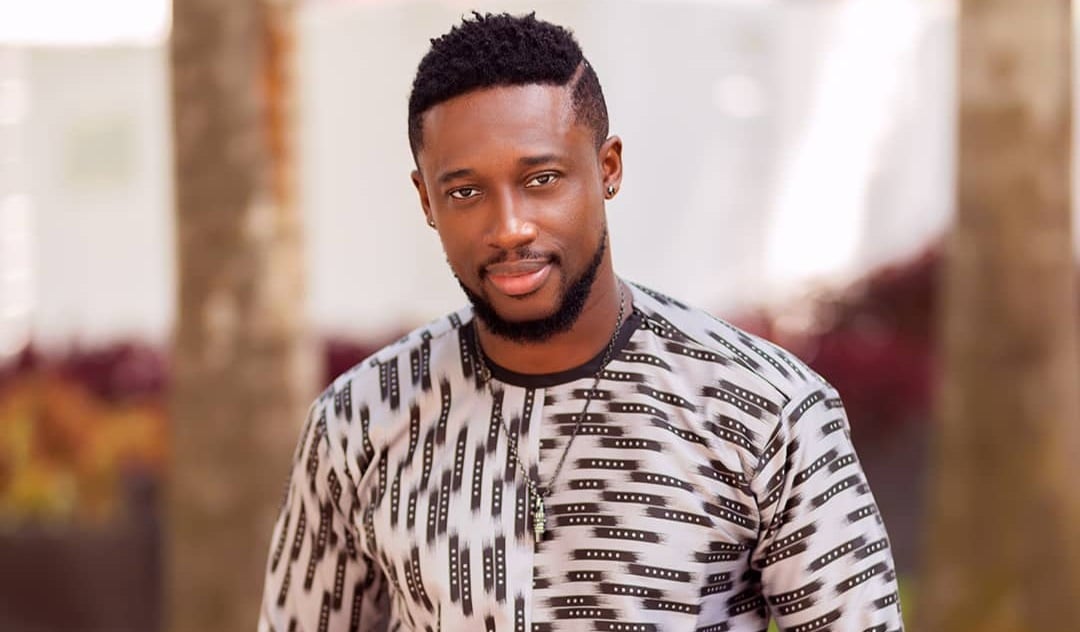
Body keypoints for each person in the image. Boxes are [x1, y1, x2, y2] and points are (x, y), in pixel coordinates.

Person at [258, 12, 903, 632]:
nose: (509, 227)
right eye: (465, 192)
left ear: (607, 168)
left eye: (541, 178)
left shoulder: (764, 408)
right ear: (427, 200)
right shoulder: (359, 420)